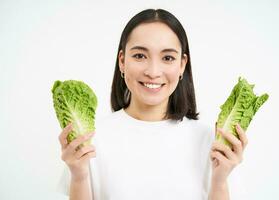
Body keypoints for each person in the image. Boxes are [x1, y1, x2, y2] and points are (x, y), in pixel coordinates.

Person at [57, 8, 248, 200]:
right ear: (122, 61)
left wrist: (220, 180)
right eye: (140, 55)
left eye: (167, 58)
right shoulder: (90, 139)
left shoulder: (211, 141)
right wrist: (79, 176)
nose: (153, 71)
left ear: (182, 65)